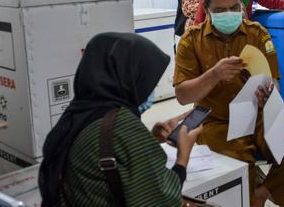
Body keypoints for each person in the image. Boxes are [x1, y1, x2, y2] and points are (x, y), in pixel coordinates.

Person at [174, 0, 284, 207]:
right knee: (238, 171)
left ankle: (260, 196)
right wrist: (214, 74)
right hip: (215, 121)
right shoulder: (192, 41)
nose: (229, 14)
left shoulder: (257, 34)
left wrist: (269, 93)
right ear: (207, 9)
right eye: (220, 10)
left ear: (241, 4)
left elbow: (274, 82)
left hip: (257, 116)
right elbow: (182, 95)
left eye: (234, 8)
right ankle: (249, 192)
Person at [39, 33, 202, 207]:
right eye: (148, 80)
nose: (152, 87)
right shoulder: (122, 128)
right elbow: (162, 200)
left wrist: (149, 138)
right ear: (130, 78)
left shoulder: (78, 114)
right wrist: (183, 155)